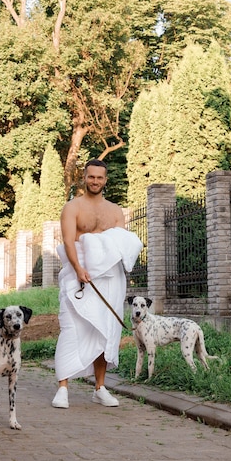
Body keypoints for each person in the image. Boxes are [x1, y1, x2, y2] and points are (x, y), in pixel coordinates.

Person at [51, 159, 142, 408]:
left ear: (105, 180)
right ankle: (63, 387)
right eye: (91, 177)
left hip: (109, 278)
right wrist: (79, 269)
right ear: (84, 177)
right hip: (78, 274)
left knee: (105, 330)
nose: (95, 181)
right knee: (71, 328)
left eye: (100, 178)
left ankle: (100, 388)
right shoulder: (72, 207)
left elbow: (120, 245)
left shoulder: (115, 211)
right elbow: (69, 241)